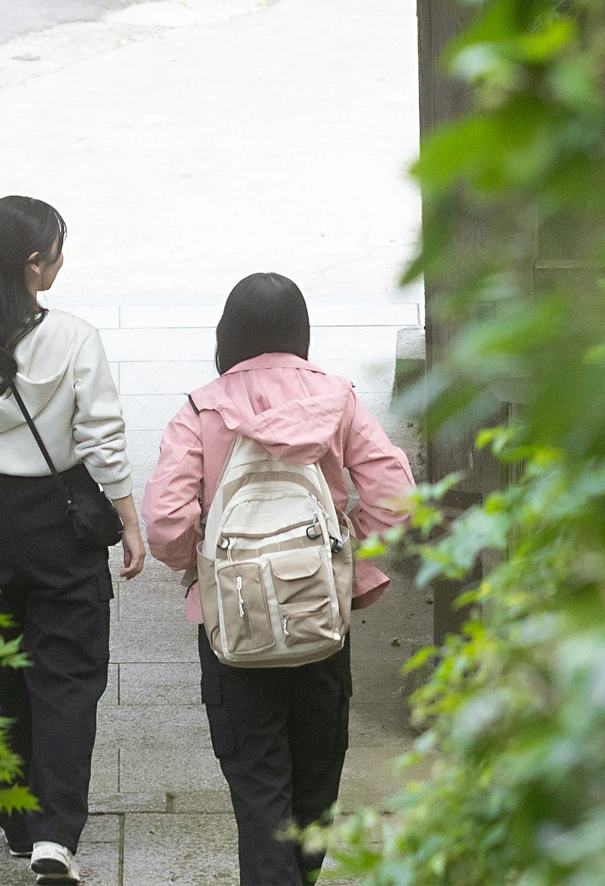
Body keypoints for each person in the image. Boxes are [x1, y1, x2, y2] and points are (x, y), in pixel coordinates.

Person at [142, 273, 414, 886]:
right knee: (316, 779)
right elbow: (396, 498)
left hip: (233, 626)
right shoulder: (338, 399)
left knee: (259, 788)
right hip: (321, 619)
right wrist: (345, 548)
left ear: (227, 335)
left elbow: (164, 522)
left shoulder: (201, 410)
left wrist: (202, 563)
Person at [0, 195, 145, 884]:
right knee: (66, 673)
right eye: (58, 251)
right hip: (60, 512)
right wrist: (129, 519)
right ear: (36, 263)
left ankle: (14, 819)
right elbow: (101, 438)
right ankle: (55, 835)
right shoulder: (73, 338)